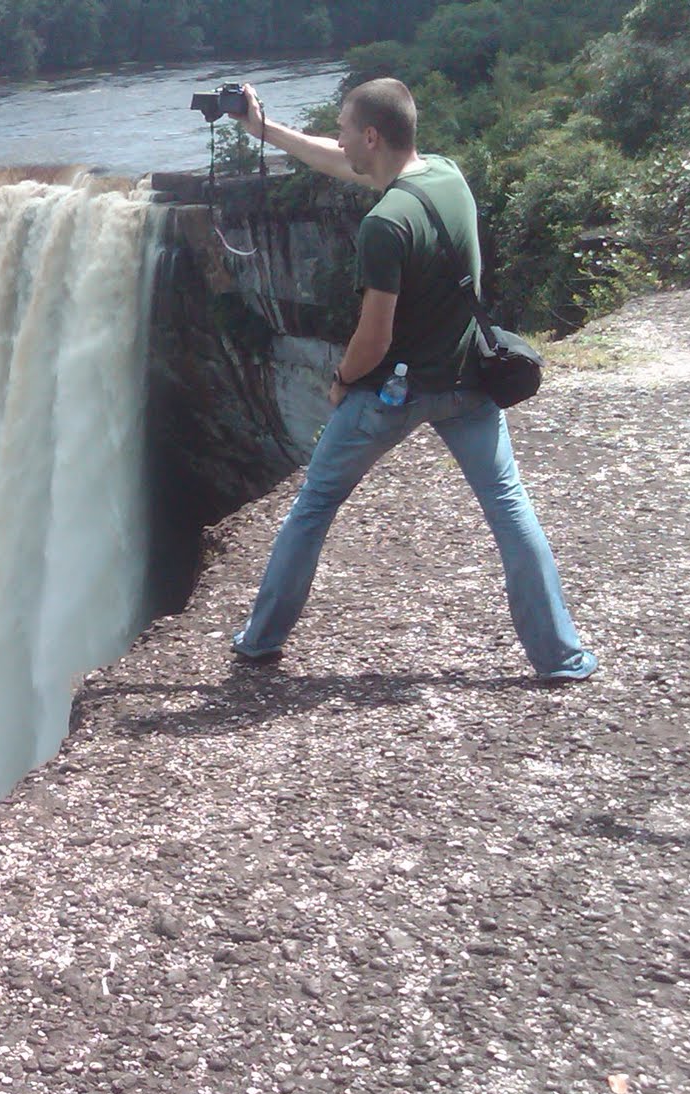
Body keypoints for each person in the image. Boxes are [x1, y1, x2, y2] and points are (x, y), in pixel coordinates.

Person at [226, 77, 597, 681]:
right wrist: (263, 129)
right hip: (469, 383)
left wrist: (344, 379)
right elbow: (338, 161)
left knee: (314, 505)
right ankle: (561, 656)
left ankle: (261, 640)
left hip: (393, 393)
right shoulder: (446, 176)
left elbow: (373, 336)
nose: (338, 139)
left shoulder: (383, 226)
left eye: (345, 129)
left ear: (370, 136)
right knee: (509, 508)